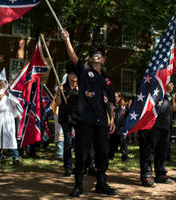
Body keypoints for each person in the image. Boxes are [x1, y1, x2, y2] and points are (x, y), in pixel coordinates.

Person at [60, 29, 118, 197]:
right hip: (85, 120)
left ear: (104, 60)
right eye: (95, 54)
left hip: (101, 123)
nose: (97, 56)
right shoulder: (85, 72)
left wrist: (112, 120)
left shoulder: (107, 79)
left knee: (102, 153)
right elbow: (73, 56)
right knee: (82, 153)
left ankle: (101, 183)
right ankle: (78, 185)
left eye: (100, 54)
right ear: (91, 58)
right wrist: (67, 39)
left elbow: (111, 102)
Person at [139, 82, 176, 187]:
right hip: (151, 124)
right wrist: (165, 90)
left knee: (162, 152)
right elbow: (150, 97)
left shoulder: (165, 93)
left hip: (165, 125)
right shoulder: (151, 80)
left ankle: (160, 174)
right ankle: (146, 176)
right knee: (148, 152)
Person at [56, 69, 79, 176]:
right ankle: (68, 166)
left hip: (78, 117)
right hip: (66, 117)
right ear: (68, 75)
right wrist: (59, 93)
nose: (74, 76)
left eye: (76, 74)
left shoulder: (81, 87)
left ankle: (80, 166)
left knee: (79, 143)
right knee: (68, 142)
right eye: (72, 73)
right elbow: (58, 103)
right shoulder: (63, 88)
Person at [108, 91, 129, 161]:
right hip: (113, 128)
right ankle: (110, 156)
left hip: (122, 129)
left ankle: (125, 157)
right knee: (112, 144)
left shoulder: (124, 107)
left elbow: (127, 117)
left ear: (120, 98)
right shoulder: (112, 106)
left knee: (123, 144)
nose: (114, 98)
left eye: (116, 96)